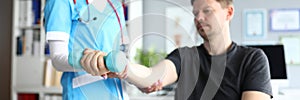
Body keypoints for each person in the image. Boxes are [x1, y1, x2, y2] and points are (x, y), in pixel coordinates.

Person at [81, 0, 273, 100]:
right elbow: (151, 76)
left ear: (228, 12)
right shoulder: (185, 56)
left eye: (207, 11)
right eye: (195, 13)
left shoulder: (252, 59)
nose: (199, 18)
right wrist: (122, 67)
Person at [44, 0, 132, 99]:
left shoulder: (114, 4)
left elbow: (120, 56)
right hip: (82, 94)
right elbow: (57, 59)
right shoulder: (60, 2)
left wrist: (139, 79)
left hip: (118, 93)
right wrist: (85, 61)